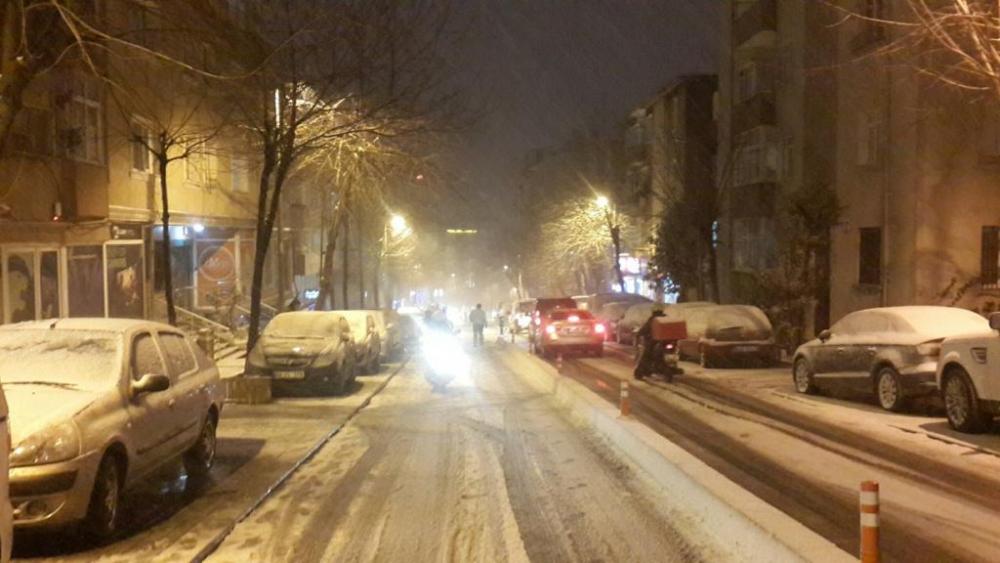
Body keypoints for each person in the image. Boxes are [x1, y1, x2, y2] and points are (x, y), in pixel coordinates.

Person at [634, 306, 667, 381]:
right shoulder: (666, 318)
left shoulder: (652, 319)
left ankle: (640, 372)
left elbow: (645, 329)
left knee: (646, 356)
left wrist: (639, 334)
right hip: (665, 341)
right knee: (659, 356)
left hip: (653, 342)